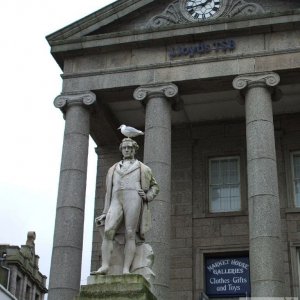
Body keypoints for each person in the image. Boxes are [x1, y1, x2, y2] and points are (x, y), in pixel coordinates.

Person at [95, 138, 159, 275]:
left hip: (134, 197)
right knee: (108, 231)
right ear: (121, 150)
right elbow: (108, 192)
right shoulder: (113, 169)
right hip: (116, 199)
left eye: (130, 148)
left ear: (135, 150)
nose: (127, 150)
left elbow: (155, 186)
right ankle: (105, 266)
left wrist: (147, 196)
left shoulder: (143, 168)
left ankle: (126, 268)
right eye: (125, 148)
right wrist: (105, 211)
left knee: (130, 233)